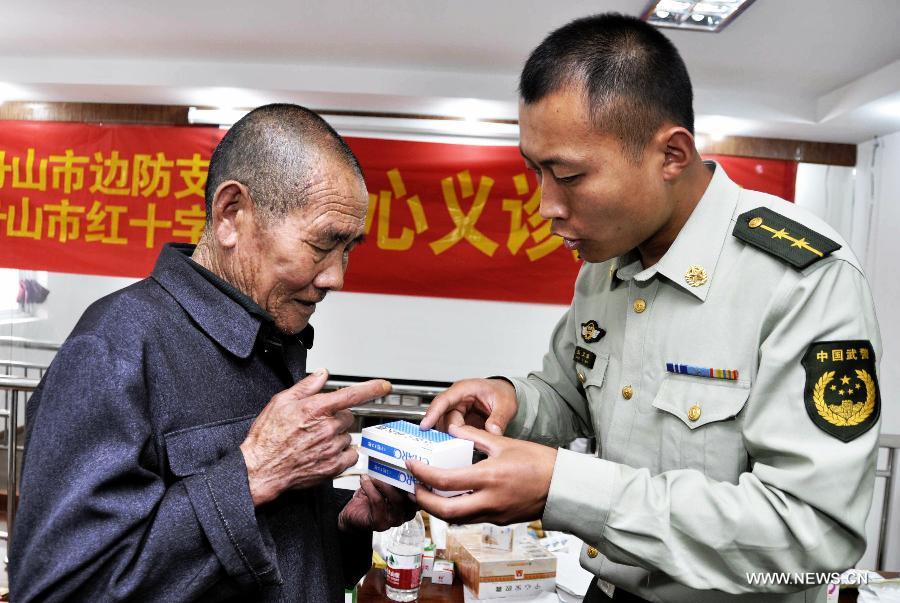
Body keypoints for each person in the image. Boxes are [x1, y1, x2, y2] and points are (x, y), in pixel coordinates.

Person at [412, 14, 882, 602]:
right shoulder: (605, 267)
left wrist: (562, 488)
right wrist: (512, 401)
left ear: (672, 155)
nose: (545, 206)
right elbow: (568, 395)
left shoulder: (801, 281)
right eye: (536, 171)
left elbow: (811, 539)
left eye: (569, 176)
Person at [10, 104, 415, 602]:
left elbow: (265, 559)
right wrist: (248, 475)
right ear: (231, 215)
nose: (336, 277)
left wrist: (347, 524)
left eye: (349, 248)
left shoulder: (269, 339)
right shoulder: (113, 350)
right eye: (323, 244)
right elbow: (58, 590)